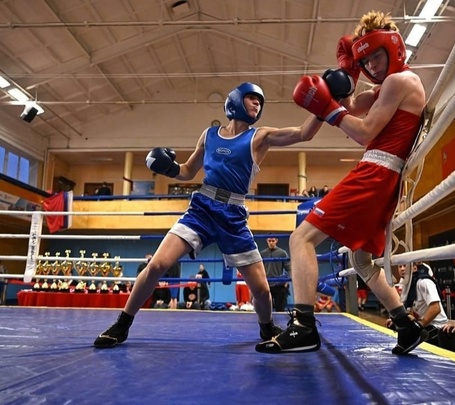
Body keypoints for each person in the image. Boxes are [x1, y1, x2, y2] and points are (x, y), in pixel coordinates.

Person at [93, 82, 323, 348]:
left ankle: (266, 326)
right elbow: (188, 171)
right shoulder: (209, 134)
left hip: (234, 216)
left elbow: (303, 133)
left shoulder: (259, 137)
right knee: (156, 265)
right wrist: (168, 168)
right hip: (202, 208)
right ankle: (122, 324)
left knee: (261, 290)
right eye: (251, 98)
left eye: (260, 101)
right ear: (235, 100)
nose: (257, 104)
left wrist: (324, 106)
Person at [256, 11, 427, 354]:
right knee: (362, 261)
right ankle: (406, 327)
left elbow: (362, 131)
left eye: (375, 56)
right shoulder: (390, 86)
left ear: (393, 48)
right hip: (385, 179)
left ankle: (304, 326)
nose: (372, 66)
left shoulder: (399, 82)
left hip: (375, 172)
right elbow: (351, 105)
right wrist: (346, 74)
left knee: (301, 236)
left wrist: (329, 108)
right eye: (365, 60)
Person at [387, 263, 447, 346]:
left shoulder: (424, 282)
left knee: (405, 345)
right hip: (424, 325)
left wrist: (418, 326)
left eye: (405, 266)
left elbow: (436, 308)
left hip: (437, 328)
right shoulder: (405, 285)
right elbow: (409, 311)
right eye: (400, 266)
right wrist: (399, 321)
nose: (402, 269)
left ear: (414, 268)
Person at [260, 237, 291, 312]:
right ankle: (267, 323)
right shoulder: (262, 253)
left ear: (276, 241)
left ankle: (279, 323)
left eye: (273, 241)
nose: (271, 242)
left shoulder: (282, 253)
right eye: (269, 241)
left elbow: (289, 268)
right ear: (266, 241)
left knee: (280, 309)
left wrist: (287, 281)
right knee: (265, 309)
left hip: (279, 285)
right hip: (266, 285)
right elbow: (259, 269)